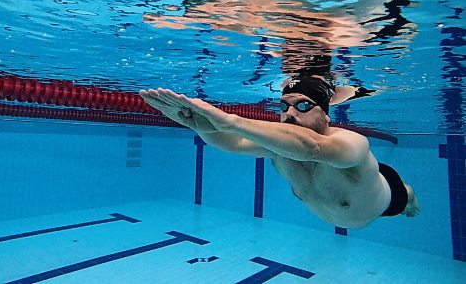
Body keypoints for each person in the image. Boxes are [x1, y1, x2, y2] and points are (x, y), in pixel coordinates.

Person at [139, 76, 420, 229]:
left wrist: (230, 120)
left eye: (302, 106)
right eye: (284, 106)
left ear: (326, 115)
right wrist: (197, 123)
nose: (289, 114)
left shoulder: (353, 143)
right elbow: (231, 144)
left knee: (406, 199)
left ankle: (410, 197)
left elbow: (313, 147)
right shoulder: (278, 148)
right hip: (350, 204)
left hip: (386, 198)